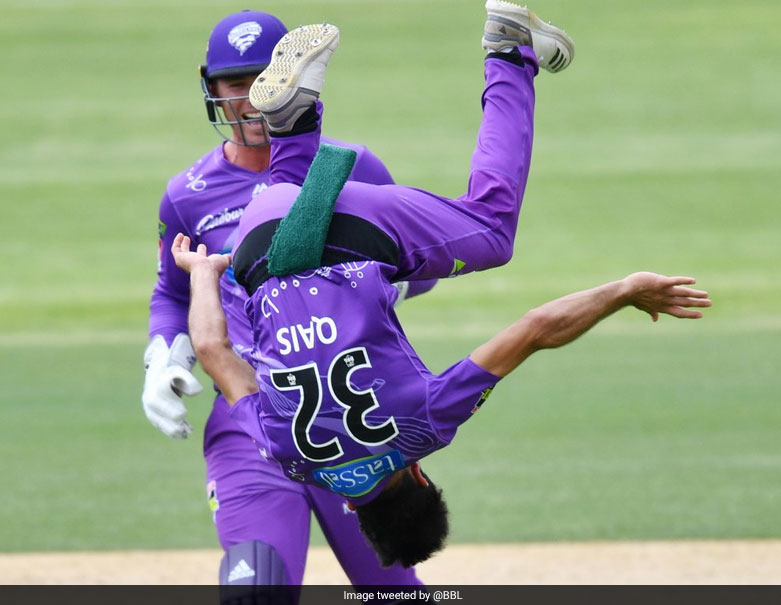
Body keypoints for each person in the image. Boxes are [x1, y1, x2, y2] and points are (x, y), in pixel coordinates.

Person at [174, 1, 709, 567]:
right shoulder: (289, 455)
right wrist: (207, 275)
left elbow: (535, 330)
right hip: (256, 238)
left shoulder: (423, 428)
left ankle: (509, 51)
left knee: (492, 230)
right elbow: (214, 350)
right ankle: (291, 126)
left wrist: (622, 291)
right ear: (355, 512)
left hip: (350, 243)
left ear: (422, 480)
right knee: (290, 209)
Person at [143, 9, 433, 589]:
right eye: (235, 84)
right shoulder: (187, 195)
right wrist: (162, 358)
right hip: (247, 420)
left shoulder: (352, 168)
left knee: (395, 591)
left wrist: (373, 283)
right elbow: (172, 293)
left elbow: (420, 262)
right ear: (212, 90)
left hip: (353, 417)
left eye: (264, 79)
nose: (251, 99)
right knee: (257, 588)